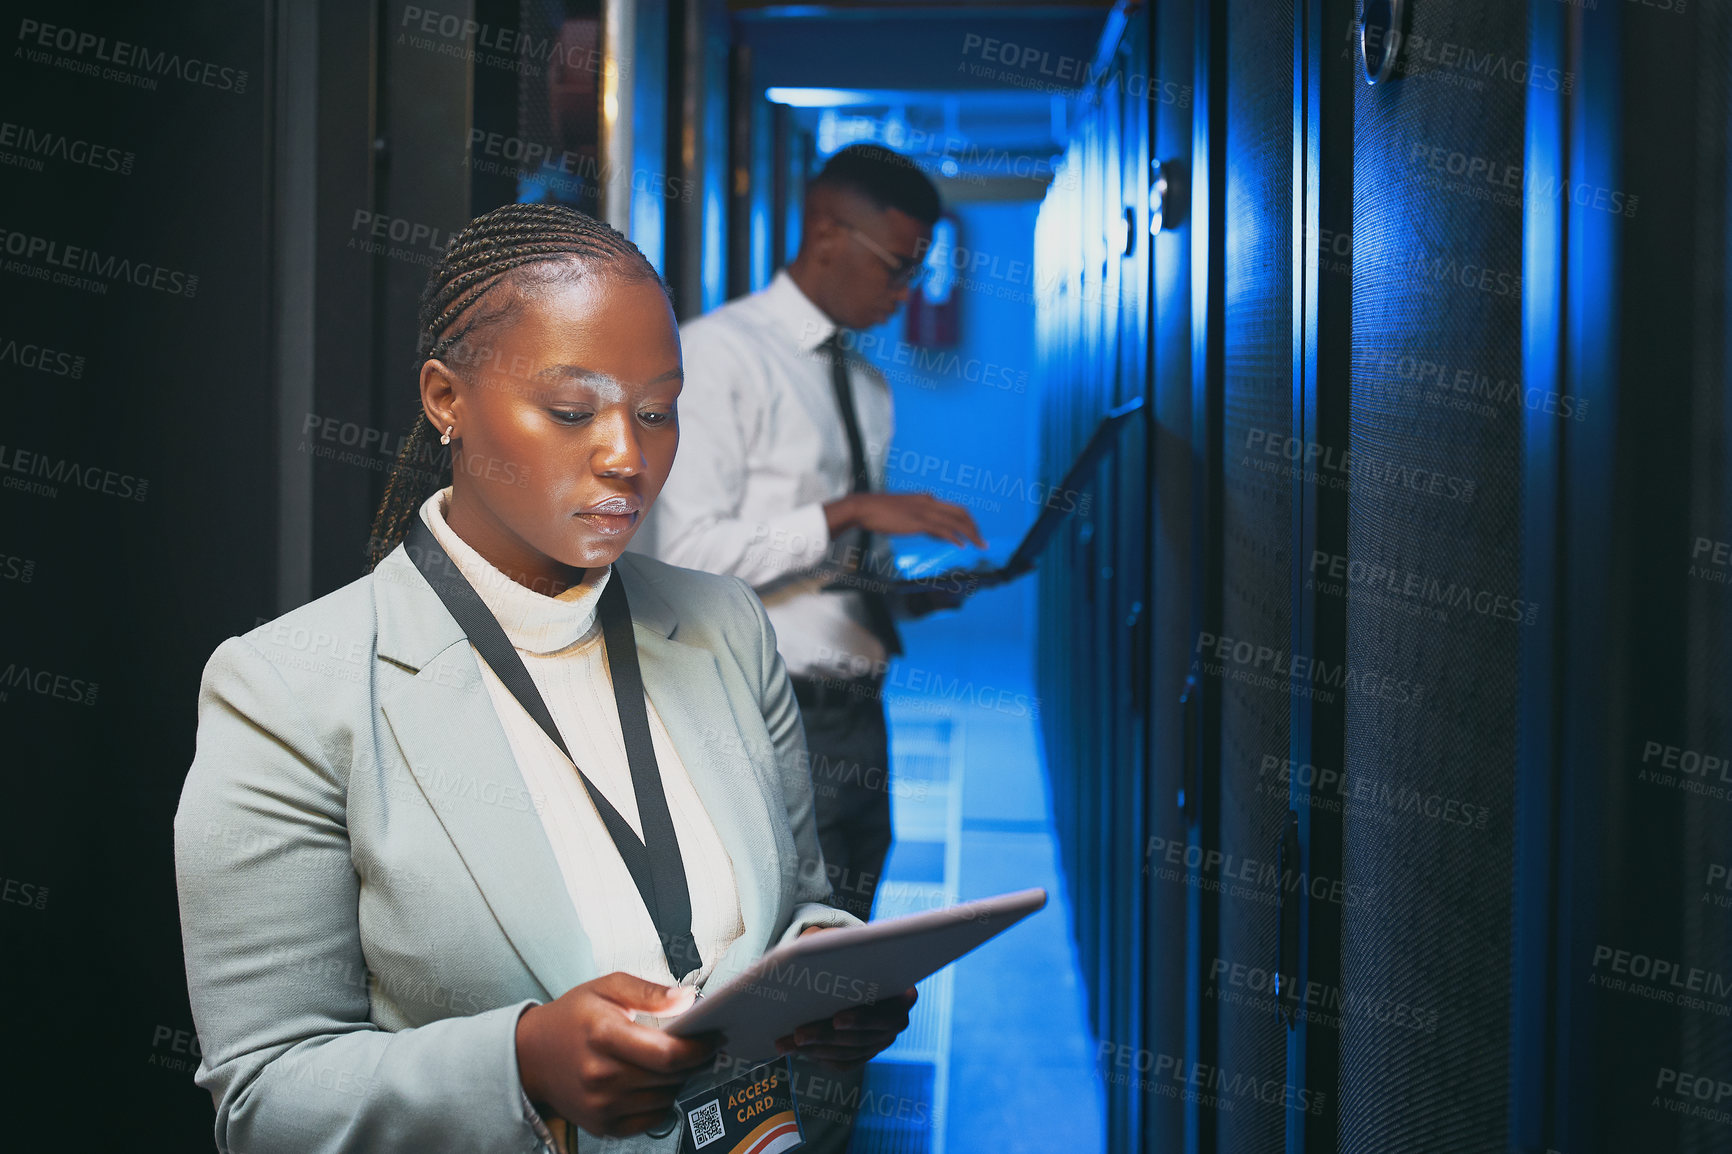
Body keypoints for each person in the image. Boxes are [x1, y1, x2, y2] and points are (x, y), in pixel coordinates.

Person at [172, 202, 915, 1154]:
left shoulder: (727, 625)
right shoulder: (287, 691)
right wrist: (520, 1064)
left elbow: (797, 898)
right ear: (445, 399)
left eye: (657, 411)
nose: (628, 456)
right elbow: (264, 1096)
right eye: (573, 412)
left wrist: (825, 972)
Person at [638, 143, 984, 1152]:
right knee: (759, 985)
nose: (907, 286)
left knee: (845, 988)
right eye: (896, 262)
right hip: (755, 718)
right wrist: (848, 507)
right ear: (827, 231)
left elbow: (822, 568)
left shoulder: (867, 388)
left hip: (853, 711)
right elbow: (685, 552)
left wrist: (903, 597)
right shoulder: (717, 356)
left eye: (921, 266)